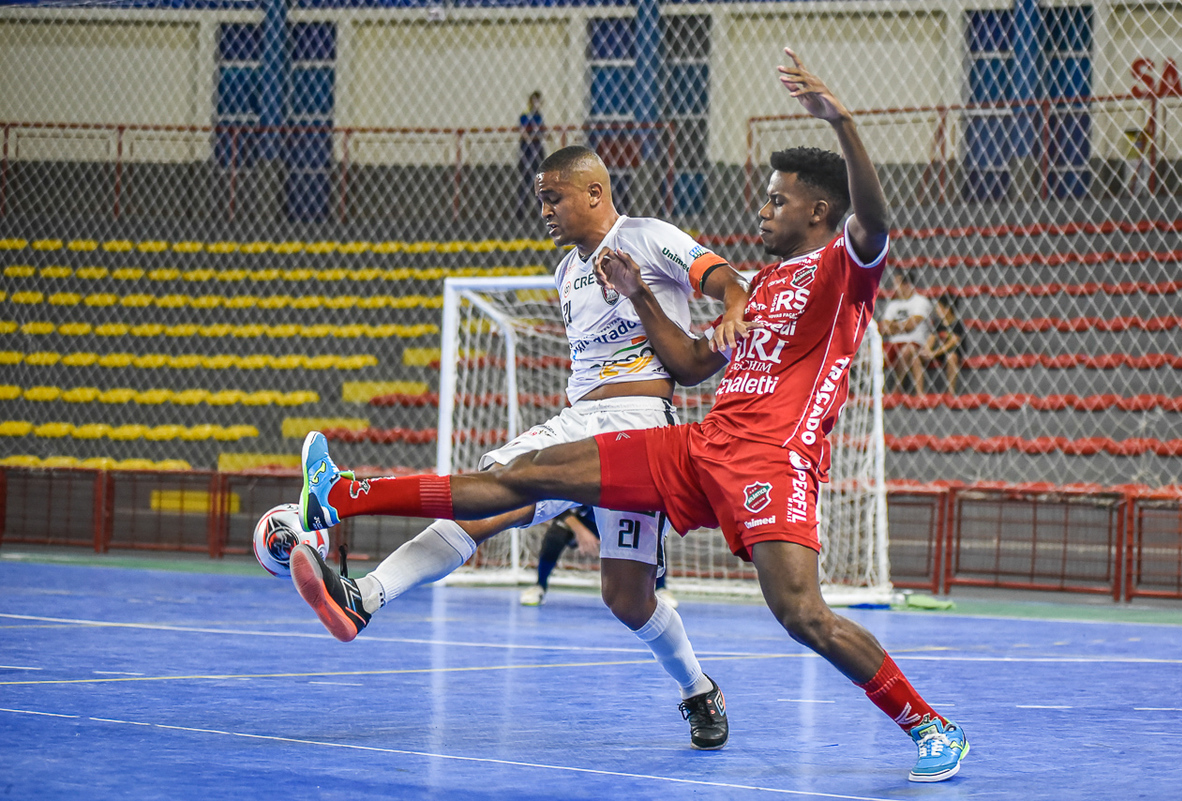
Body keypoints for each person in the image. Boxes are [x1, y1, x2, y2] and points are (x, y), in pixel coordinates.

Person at [294, 49, 967, 782]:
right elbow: (689, 363)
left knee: (803, 615)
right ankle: (342, 493)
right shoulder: (767, 283)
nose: (763, 209)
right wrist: (641, 295)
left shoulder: (842, 271)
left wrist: (840, 120)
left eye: (777, 201)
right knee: (526, 475)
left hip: (773, 462)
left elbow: (875, 221)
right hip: (698, 445)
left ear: (818, 212)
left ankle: (930, 726)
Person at [291, 144, 751, 750]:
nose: (544, 211)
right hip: (579, 421)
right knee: (489, 497)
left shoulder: (648, 236)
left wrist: (733, 313)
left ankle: (698, 689)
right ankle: (364, 593)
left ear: (595, 192)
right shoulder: (565, 273)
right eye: (541, 200)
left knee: (626, 597)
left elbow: (730, 282)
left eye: (553, 198)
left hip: (641, 426)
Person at [520, 508, 678, 609]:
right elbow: (557, 505)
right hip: (588, 521)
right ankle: (539, 586)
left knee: (651, 533)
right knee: (556, 533)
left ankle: (660, 588)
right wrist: (580, 530)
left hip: (619, 517)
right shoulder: (579, 472)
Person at [877, 270, 932, 395]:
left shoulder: (921, 301)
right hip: (893, 343)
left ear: (907, 285)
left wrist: (894, 325)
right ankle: (873, 391)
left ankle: (897, 389)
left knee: (907, 351)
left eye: (897, 284)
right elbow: (885, 328)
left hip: (915, 343)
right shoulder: (892, 304)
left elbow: (911, 325)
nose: (894, 288)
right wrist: (903, 325)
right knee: (870, 353)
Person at [920, 295, 966, 394]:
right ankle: (920, 392)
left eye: (939, 307)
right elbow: (931, 339)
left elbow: (952, 343)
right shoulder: (938, 324)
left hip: (952, 352)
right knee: (917, 358)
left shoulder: (957, 323)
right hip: (938, 353)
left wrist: (934, 353)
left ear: (947, 309)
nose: (937, 310)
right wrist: (926, 350)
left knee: (951, 357)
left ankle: (951, 392)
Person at [516, 91, 546, 218]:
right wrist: (529, 139)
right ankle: (520, 212)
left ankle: (542, 209)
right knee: (526, 181)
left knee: (540, 180)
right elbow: (523, 131)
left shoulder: (539, 116)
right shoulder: (525, 115)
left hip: (537, 149)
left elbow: (542, 131)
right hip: (527, 151)